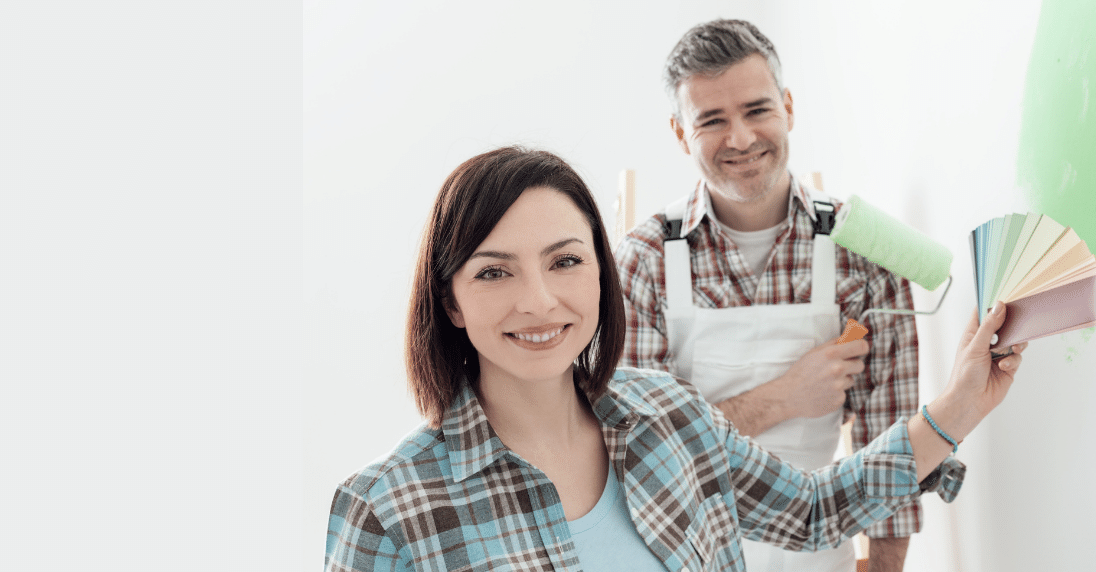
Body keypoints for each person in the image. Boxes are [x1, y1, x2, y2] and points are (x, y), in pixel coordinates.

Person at [325, 147, 1028, 572]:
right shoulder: (390, 509)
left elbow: (814, 511)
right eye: (494, 273)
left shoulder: (669, 415)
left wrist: (964, 401)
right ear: (449, 301)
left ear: (600, 273)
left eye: (565, 262)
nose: (539, 302)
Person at [616, 20, 926, 572]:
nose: (739, 138)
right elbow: (643, 456)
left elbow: (890, 452)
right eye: (712, 120)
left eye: (756, 110)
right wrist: (785, 397)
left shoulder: (863, 256)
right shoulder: (644, 263)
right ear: (681, 133)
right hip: (681, 556)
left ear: (787, 106)